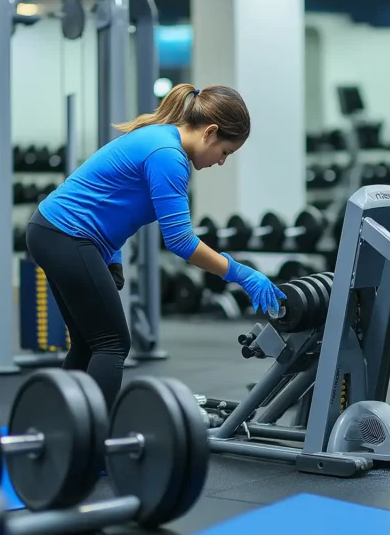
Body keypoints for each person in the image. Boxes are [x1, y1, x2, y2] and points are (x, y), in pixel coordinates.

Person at [26, 83, 285, 410]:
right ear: (210, 132)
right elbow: (180, 240)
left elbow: (107, 197)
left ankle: (64, 425)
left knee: (89, 343)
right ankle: (91, 439)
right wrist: (241, 274)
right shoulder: (169, 156)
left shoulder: (161, 139)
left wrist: (112, 256)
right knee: (112, 344)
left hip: (54, 231)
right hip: (67, 235)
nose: (222, 162)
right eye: (225, 152)